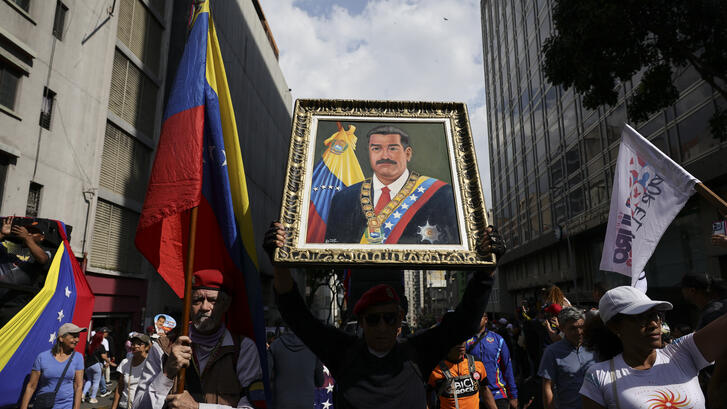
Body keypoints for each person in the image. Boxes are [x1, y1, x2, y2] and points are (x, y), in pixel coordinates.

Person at [265, 221, 505, 409]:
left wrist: (488, 268)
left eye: (389, 318)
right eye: (373, 319)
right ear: (361, 321)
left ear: (400, 322)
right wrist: (279, 262)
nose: (381, 327)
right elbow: (298, 316)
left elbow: (465, 322)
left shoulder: (416, 353)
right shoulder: (344, 353)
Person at [133, 268, 265, 409]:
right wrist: (167, 372)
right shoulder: (164, 347)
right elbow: (138, 406)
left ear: (226, 304)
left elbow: (253, 406)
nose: (204, 307)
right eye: (197, 300)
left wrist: (197, 407)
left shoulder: (243, 348)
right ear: (189, 304)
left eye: (213, 301)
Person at [579, 285, 727, 408]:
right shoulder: (598, 376)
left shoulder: (683, 352)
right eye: (641, 317)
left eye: (656, 315)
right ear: (615, 327)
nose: (654, 324)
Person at [323, 125, 459, 244]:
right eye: (376, 149)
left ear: (408, 154)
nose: (384, 156)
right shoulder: (343, 199)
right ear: (370, 153)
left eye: (392, 148)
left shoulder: (442, 195)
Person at [538, 307, 595, 409]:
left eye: (582, 327)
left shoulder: (594, 347)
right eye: (573, 328)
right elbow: (547, 387)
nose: (579, 332)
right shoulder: (552, 352)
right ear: (562, 328)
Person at [19, 323, 86, 409]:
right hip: (44, 404)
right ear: (61, 338)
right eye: (73, 336)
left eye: (78, 336)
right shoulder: (42, 357)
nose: (77, 340)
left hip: (66, 405)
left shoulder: (78, 357)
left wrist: (76, 408)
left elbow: (78, 385)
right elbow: (31, 386)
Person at [0, 217, 52, 326]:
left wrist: (27, 238)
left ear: (42, 237)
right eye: (29, 231)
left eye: (34, 232)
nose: (30, 233)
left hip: (15, 308)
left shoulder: (45, 251)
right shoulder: (9, 246)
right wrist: (2, 234)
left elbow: (43, 259)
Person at [466, 313, 519, 409]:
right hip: (474, 396)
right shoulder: (464, 342)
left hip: (498, 395)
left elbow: (507, 368)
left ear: (485, 319)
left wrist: (513, 395)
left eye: (479, 317)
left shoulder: (498, 340)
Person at [427, 341, 497, 409]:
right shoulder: (435, 369)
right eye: (456, 340)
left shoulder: (477, 363)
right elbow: (427, 395)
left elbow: (484, 389)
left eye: (463, 339)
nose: (461, 343)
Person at [267, 329, 323, 409]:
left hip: (281, 402)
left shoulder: (275, 346)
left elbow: (266, 377)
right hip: (306, 402)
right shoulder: (313, 347)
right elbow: (320, 382)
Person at [111, 333, 151, 409]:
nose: (135, 346)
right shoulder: (125, 362)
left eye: (139, 344)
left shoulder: (151, 364)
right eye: (133, 343)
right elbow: (120, 386)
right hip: (124, 406)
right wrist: (114, 407)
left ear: (147, 347)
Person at [82, 331, 115, 403]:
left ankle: (83, 394)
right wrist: (110, 362)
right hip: (97, 365)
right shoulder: (100, 346)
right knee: (96, 382)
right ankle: (93, 398)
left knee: (89, 380)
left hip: (88, 365)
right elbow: (103, 356)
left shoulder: (89, 345)